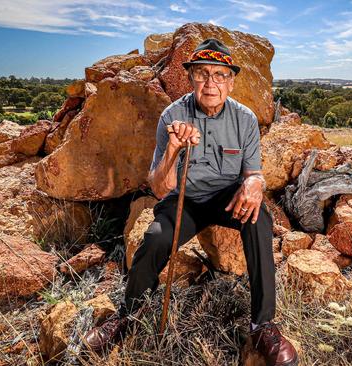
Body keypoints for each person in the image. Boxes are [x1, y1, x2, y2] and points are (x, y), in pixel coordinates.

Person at [83, 38, 298, 366]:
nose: (211, 82)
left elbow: (253, 173)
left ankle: (262, 325)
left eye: (219, 74)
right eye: (202, 74)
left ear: (231, 80)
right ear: (191, 78)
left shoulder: (245, 119)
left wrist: (254, 185)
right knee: (155, 238)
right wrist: (172, 149)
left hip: (228, 196)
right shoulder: (173, 114)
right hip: (186, 199)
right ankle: (127, 316)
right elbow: (159, 186)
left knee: (259, 220)